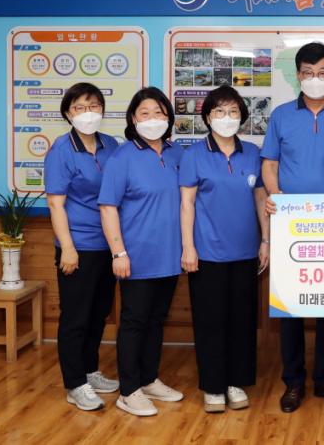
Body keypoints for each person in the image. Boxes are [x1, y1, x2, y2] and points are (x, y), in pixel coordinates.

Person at [261, 42, 324, 413]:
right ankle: (293, 382)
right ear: (298, 75)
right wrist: (276, 196)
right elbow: (270, 164)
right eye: (307, 72)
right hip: (290, 224)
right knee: (290, 308)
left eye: (322, 72)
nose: (315, 79)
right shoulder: (281, 115)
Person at [179, 85, 270, 413]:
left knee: (242, 321)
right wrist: (188, 247)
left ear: (242, 117)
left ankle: (235, 382)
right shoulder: (194, 154)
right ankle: (214, 386)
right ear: (207, 117)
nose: (226, 117)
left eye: (233, 111)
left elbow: (260, 198)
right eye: (219, 111)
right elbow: (187, 204)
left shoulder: (252, 153)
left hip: (246, 253)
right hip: (207, 254)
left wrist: (266, 240)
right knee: (210, 322)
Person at [98, 87, 184, 417]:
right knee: (134, 322)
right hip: (136, 256)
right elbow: (108, 207)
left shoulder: (177, 154)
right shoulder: (122, 157)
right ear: (133, 119)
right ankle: (129, 390)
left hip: (170, 255)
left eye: (159, 112)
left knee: (157, 320)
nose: (153, 119)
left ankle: (148, 379)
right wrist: (118, 253)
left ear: (169, 118)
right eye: (145, 113)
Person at [45, 82, 120, 411]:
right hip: (78, 245)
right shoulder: (61, 150)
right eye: (79, 107)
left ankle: (90, 371)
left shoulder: (111, 144)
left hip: (108, 244)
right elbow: (56, 204)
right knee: (75, 317)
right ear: (67, 113)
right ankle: (75, 383)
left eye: (93, 106)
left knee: (98, 313)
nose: (87, 113)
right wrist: (68, 247)